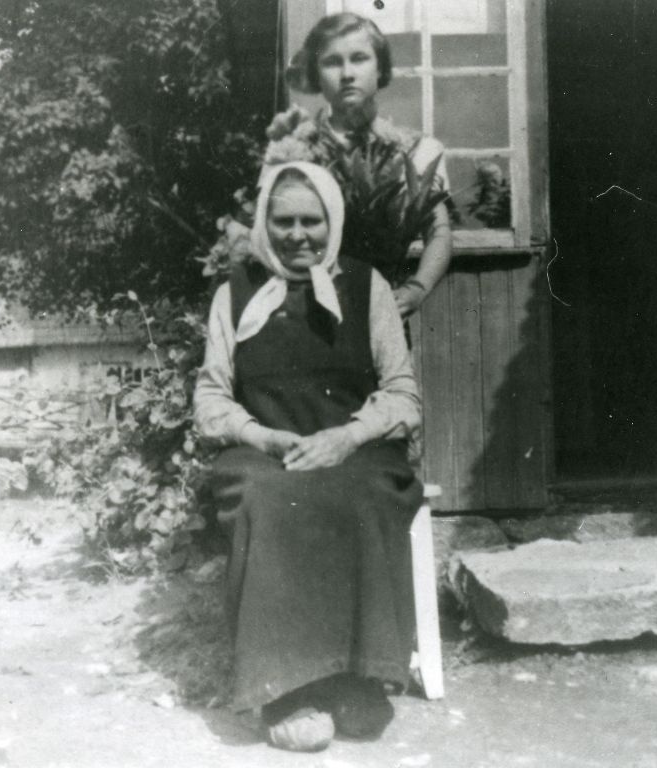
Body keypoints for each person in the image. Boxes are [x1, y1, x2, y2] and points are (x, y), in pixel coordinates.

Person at [194, 161, 423, 752]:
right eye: (284, 221)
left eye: (312, 221)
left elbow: (402, 393)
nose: (299, 235)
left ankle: (357, 677)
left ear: (333, 221)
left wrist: (347, 437)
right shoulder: (233, 294)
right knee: (271, 499)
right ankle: (288, 689)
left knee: (363, 494)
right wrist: (264, 437)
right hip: (267, 453)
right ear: (265, 225)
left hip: (356, 449)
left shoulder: (367, 286)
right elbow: (211, 398)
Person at [268, 11, 453, 319]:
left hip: (382, 310)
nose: (347, 73)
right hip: (308, 312)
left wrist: (418, 287)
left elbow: (439, 231)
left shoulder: (415, 150)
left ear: (380, 69)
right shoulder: (293, 149)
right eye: (331, 62)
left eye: (359, 58)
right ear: (315, 75)